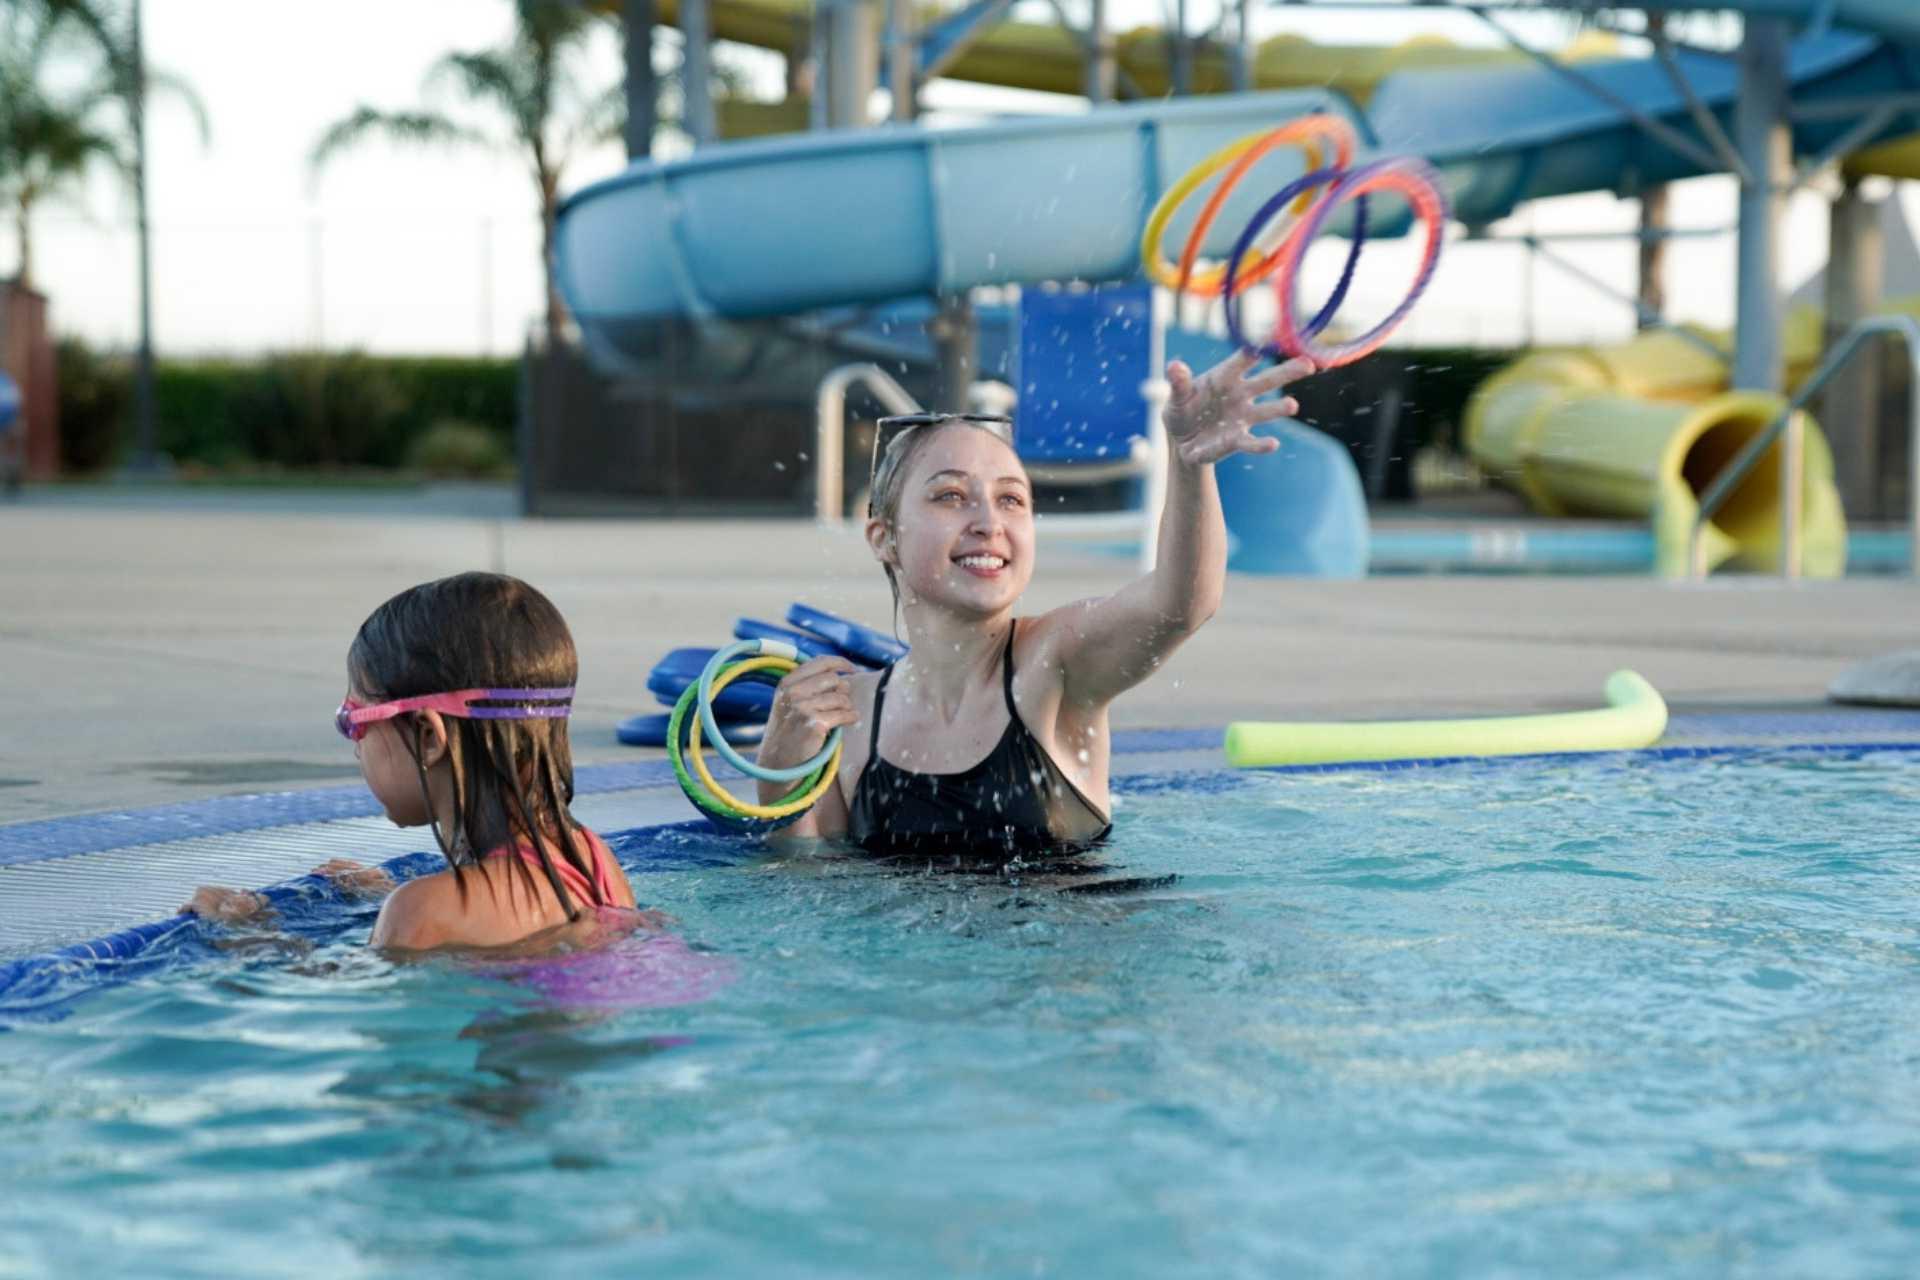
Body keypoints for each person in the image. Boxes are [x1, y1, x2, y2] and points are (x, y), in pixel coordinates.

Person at [757, 349, 1315, 862]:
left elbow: (1180, 605)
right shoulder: (846, 713)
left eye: (1011, 500)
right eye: (951, 496)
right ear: (884, 537)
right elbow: (806, 891)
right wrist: (781, 770)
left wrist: (1190, 463)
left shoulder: (1054, 664)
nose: (987, 522)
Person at [187, 572, 642, 950]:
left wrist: (249, 933)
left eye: (354, 720)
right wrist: (381, 892)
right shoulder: (592, 857)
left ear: (428, 736)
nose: (353, 742)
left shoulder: (419, 911)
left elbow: (352, 999)